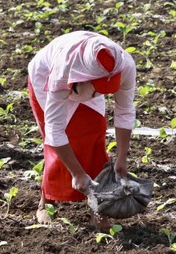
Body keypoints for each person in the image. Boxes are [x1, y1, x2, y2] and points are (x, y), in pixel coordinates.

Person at [27, 31, 136, 228]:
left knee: (94, 132)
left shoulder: (123, 65)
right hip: (45, 78)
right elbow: (55, 130)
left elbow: (125, 112)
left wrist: (121, 159)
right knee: (63, 141)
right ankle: (45, 203)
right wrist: (78, 174)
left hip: (84, 85)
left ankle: (98, 210)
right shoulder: (62, 72)